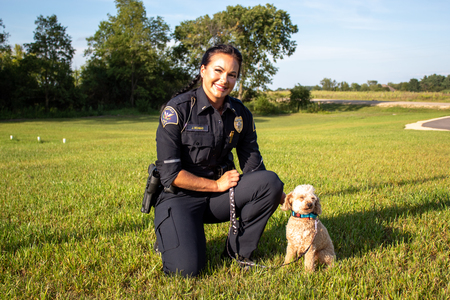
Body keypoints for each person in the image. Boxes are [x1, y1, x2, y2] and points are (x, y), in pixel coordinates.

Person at [154, 44, 284, 277]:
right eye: (218, 70)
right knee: (185, 270)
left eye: (232, 74)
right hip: (179, 197)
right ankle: (173, 231)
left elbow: (254, 167)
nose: (224, 80)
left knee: (271, 183)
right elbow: (170, 175)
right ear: (203, 70)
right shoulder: (178, 110)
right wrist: (216, 185)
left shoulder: (240, 113)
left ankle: (237, 252)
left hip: (220, 198)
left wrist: (282, 196)